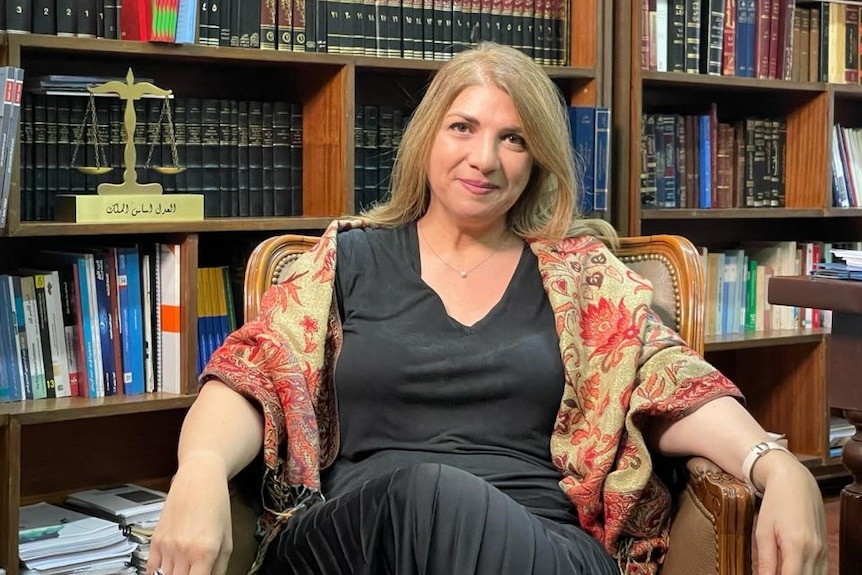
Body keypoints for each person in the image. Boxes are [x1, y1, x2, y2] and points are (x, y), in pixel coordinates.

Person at [147, 42, 826, 575]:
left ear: (537, 161)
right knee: (422, 495)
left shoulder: (582, 281)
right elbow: (252, 373)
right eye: (464, 127)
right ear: (427, 138)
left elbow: (673, 380)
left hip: (542, 545)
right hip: (350, 541)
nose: (484, 158)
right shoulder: (347, 261)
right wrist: (200, 469)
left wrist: (778, 464)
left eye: (514, 138)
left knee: (436, 499)